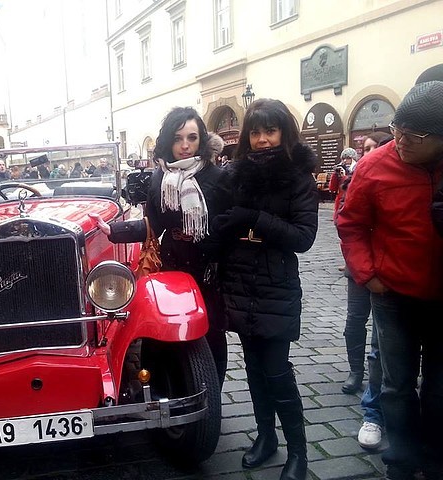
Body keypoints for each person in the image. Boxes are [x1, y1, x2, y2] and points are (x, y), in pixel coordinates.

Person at [337, 81, 443, 480]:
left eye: (414, 137)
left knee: (439, 386)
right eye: (397, 130)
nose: (400, 141)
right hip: (393, 294)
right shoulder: (373, 166)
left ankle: (433, 456)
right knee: (396, 385)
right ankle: (400, 458)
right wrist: (368, 274)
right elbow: (350, 224)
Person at [210, 98, 318, 480]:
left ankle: (298, 452)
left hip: (275, 284)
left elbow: (303, 237)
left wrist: (254, 218)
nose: (262, 139)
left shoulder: (298, 177)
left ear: (284, 132)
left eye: (270, 131)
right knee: (254, 367)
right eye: (255, 132)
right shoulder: (235, 174)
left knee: (277, 370)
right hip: (240, 281)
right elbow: (220, 221)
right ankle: (265, 436)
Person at [90, 106, 229, 387]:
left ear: (201, 139)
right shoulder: (160, 178)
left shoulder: (217, 177)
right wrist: (113, 230)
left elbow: (230, 222)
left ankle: (211, 391)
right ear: (168, 141)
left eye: (192, 137)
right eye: (178, 138)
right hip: (173, 266)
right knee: (164, 331)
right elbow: (154, 225)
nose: (185, 145)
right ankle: (163, 390)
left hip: (209, 268)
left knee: (211, 334)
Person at [334, 132, 392, 451]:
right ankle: (355, 371)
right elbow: (343, 217)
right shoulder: (353, 178)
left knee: (380, 336)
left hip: (387, 268)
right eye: (364, 148)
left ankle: (376, 383)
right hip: (359, 266)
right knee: (355, 320)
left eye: (372, 148)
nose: (366, 153)